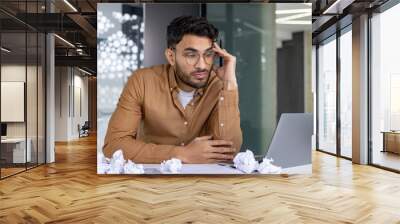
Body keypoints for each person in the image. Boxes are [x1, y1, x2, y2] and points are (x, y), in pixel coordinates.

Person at [103, 16, 242, 164]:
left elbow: (228, 152)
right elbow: (113, 146)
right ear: (171, 56)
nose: (202, 65)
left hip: (201, 182)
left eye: (208, 54)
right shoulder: (142, 81)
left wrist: (229, 84)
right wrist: (181, 154)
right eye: (191, 55)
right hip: (152, 180)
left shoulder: (218, 84)